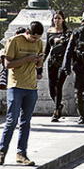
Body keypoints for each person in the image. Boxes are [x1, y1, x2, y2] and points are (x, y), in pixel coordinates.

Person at [0, 21, 45, 166]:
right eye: (33, 38)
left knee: (26, 122)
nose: (35, 41)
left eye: (37, 38)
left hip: (31, 87)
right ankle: (2, 152)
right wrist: (27, 59)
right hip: (15, 86)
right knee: (12, 120)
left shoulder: (39, 43)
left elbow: (39, 65)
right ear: (27, 32)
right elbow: (7, 64)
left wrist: (38, 61)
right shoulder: (15, 41)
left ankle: (21, 154)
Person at [43, 11, 71, 122]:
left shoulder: (68, 32)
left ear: (63, 19)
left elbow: (69, 49)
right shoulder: (50, 31)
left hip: (62, 62)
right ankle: (58, 105)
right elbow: (47, 49)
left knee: (58, 86)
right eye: (55, 18)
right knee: (51, 87)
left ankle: (55, 112)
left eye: (59, 18)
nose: (57, 20)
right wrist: (40, 64)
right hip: (52, 62)